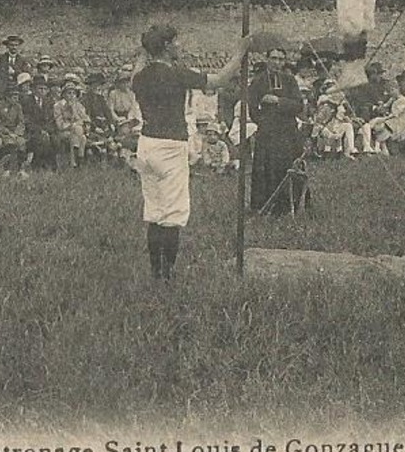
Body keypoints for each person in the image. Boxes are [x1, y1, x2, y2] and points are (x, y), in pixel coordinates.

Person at [130, 24, 249, 280]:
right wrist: (240, 53)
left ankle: (156, 272)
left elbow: (137, 69)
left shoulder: (139, 77)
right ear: (166, 46)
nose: (180, 46)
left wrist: (145, 49)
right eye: (176, 42)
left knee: (154, 210)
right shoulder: (178, 74)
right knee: (172, 213)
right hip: (171, 146)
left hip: (146, 144)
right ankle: (167, 275)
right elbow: (219, 80)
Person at [248, 47, 308, 216]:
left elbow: (298, 105)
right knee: (266, 170)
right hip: (268, 133)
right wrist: (265, 120)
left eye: (281, 59)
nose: (277, 62)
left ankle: (290, 205)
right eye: (274, 58)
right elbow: (252, 110)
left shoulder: (290, 80)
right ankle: (265, 206)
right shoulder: (257, 82)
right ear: (267, 59)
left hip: (288, 132)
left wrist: (279, 101)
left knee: (289, 167)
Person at [360, 74, 405, 155]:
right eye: (390, 91)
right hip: (394, 119)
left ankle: (376, 145)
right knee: (378, 123)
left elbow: (395, 114)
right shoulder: (393, 99)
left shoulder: (403, 100)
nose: (391, 92)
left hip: (401, 122)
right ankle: (382, 148)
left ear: (397, 89)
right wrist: (382, 106)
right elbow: (386, 106)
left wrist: (385, 118)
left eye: (393, 90)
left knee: (382, 125)